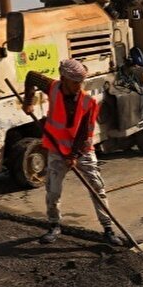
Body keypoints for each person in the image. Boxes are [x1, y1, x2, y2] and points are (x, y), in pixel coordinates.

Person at [22, 59, 123, 245]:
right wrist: (28, 102)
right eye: (76, 82)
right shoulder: (52, 87)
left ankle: (108, 229)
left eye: (81, 82)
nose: (79, 86)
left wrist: (73, 156)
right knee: (53, 191)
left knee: (97, 188)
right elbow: (30, 77)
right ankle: (54, 226)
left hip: (81, 151)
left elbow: (85, 134)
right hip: (56, 150)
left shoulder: (88, 102)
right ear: (64, 79)